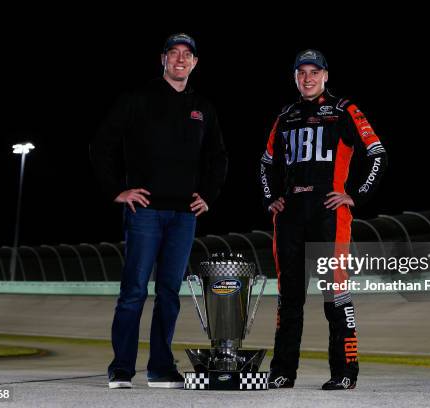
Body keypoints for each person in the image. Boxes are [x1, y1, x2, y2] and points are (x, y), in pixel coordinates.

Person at [91, 33, 228, 389]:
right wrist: (116, 191)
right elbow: (102, 144)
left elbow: (218, 157)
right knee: (134, 290)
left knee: (169, 291)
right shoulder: (137, 99)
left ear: (195, 62)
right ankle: (121, 368)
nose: (181, 59)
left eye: (188, 54)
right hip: (145, 212)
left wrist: (208, 195)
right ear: (163, 59)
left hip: (184, 216)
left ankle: (160, 367)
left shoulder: (204, 108)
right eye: (174, 53)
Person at [259, 49, 387, 390]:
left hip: (329, 214)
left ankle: (345, 373)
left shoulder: (344, 109)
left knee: (336, 295)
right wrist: (272, 198)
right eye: (302, 72)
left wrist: (355, 195)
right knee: (289, 299)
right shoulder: (285, 116)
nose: (308, 78)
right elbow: (265, 164)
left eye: (314, 72)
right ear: (295, 77)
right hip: (290, 218)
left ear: (325, 75)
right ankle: (282, 372)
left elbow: (376, 153)